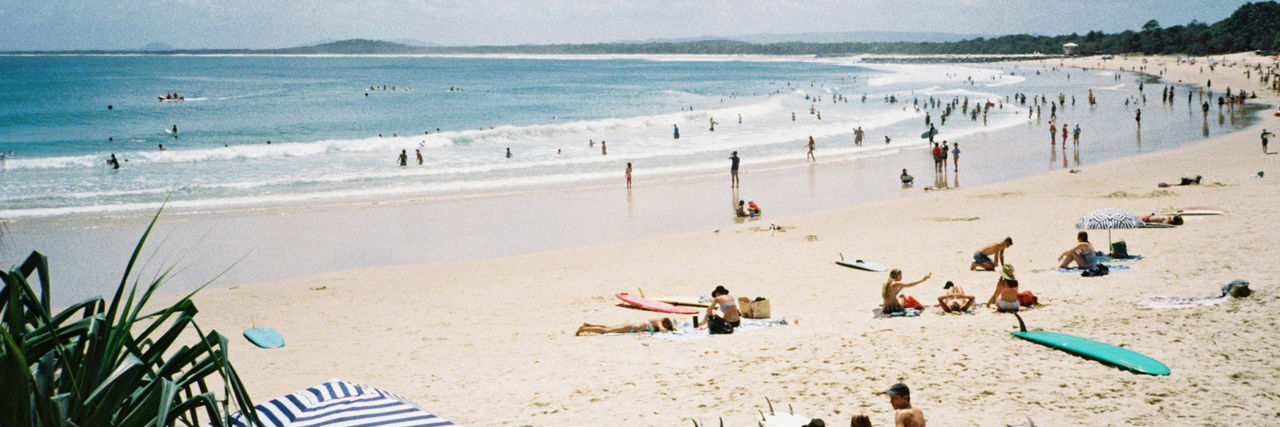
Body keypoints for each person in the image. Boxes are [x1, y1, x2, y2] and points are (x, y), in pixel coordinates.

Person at [575, 317, 675, 336]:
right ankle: (584, 329)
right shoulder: (659, 321)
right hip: (632, 327)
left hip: (632, 324)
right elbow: (662, 330)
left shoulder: (657, 320)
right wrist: (666, 330)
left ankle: (588, 325)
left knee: (609, 327)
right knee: (606, 330)